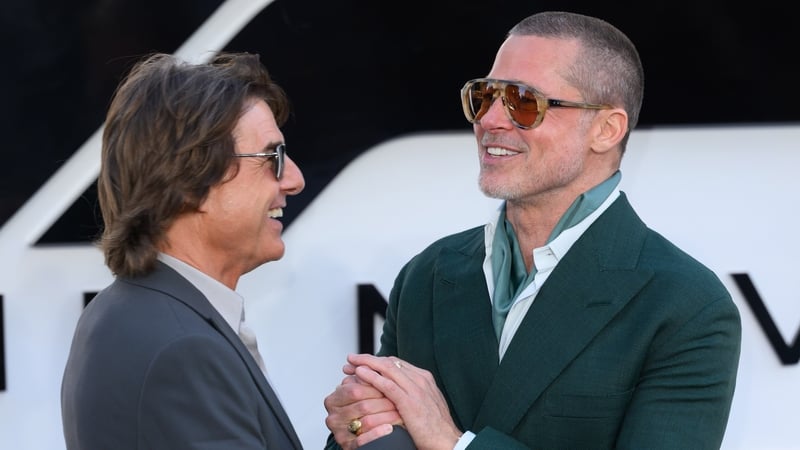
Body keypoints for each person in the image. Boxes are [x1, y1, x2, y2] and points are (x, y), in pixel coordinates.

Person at [323, 11, 741, 450]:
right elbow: (368, 438)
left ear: (606, 129)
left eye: (524, 102)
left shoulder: (684, 305)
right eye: (483, 97)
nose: (490, 121)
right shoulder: (427, 275)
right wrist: (355, 427)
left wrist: (453, 443)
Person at [61, 52, 305, 449]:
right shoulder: (184, 348)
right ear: (193, 181)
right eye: (272, 157)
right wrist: (386, 435)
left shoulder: (129, 311)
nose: (294, 179)